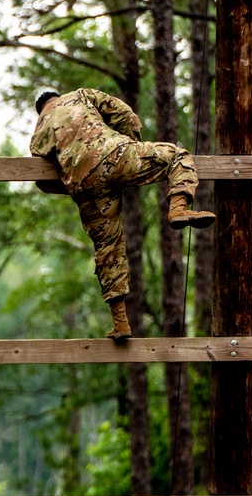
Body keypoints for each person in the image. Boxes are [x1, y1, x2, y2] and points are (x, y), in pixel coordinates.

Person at [29, 88, 214, 340]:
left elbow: (42, 181)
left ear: (41, 109)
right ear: (57, 97)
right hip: (114, 154)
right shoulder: (80, 95)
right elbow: (125, 114)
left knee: (108, 248)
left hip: (84, 184)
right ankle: (178, 208)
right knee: (177, 156)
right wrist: (132, 145)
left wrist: (75, 187)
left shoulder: (39, 132)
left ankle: (121, 323)